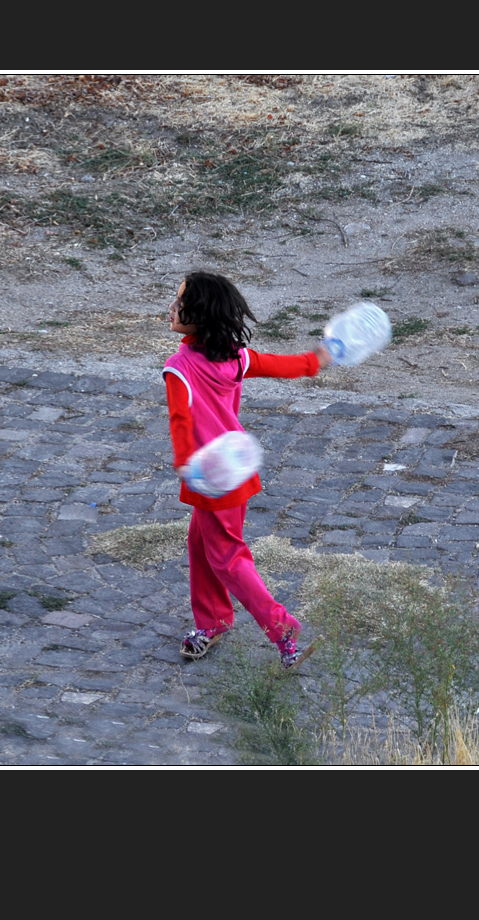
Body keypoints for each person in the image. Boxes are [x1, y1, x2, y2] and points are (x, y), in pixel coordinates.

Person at [163, 271, 333, 669]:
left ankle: (282, 628)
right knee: (200, 546)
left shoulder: (179, 367)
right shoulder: (236, 357)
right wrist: (316, 360)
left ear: (200, 315)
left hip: (210, 476)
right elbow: (280, 365)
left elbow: (180, 421)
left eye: (180, 302)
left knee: (229, 559)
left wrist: (185, 463)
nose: (171, 307)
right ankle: (213, 621)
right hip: (235, 471)